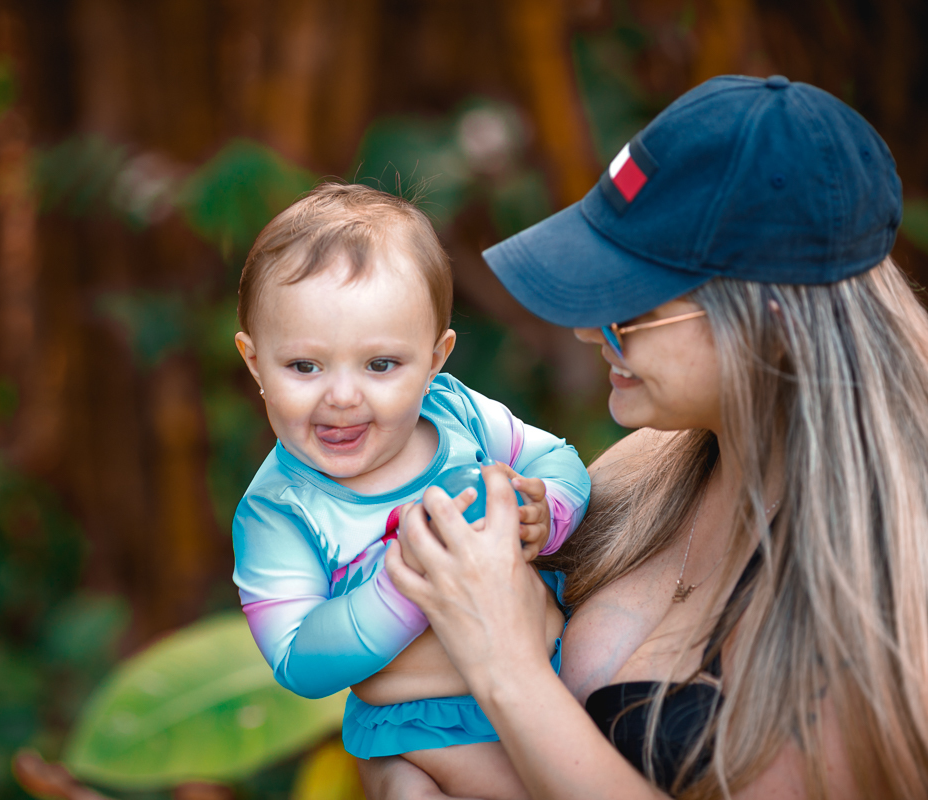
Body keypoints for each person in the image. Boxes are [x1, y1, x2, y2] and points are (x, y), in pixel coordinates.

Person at [359, 75, 928, 798]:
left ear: (776, 324)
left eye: (627, 310)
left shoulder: (893, 578)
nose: (587, 330)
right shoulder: (651, 470)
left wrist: (506, 668)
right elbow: (387, 683)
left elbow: (496, 671)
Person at [230, 183, 591, 799]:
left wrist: (545, 508)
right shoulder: (279, 510)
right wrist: (407, 590)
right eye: (305, 367)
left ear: (434, 360)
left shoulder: (457, 415)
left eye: (380, 365)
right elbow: (295, 657)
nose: (342, 397)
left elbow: (556, 458)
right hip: (423, 727)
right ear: (255, 362)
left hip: (553, 673)